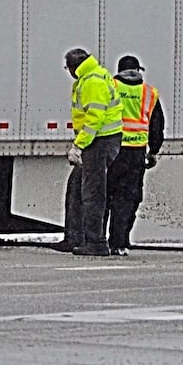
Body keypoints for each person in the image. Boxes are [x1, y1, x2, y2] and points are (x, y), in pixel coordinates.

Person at [61, 47, 122, 256]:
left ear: (72, 67)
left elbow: (94, 119)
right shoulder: (91, 76)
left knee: (93, 193)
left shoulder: (92, 81)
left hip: (99, 141)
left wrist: (79, 145)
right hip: (102, 140)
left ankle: (96, 242)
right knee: (80, 188)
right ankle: (78, 237)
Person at [107, 55, 165, 254]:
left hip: (113, 151)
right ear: (138, 71)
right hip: (136, 154)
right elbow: (157, 126)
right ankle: (120, 242)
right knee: (128, 198)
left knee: (105, 196)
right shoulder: (149, 93)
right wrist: (154, 150)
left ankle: (99, 240)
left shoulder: (111, 87)